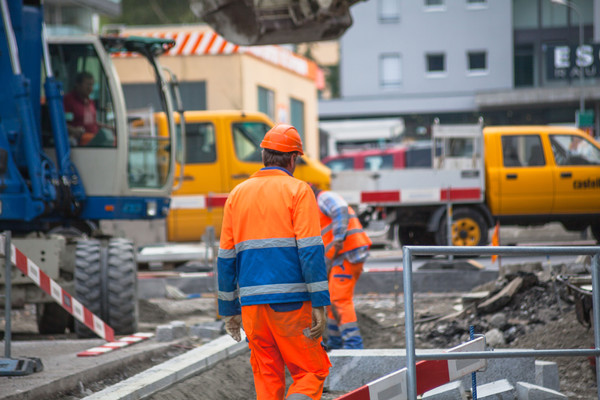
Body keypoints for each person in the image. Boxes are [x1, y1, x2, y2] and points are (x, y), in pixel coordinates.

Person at [217, 123, 331, 400]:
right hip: (291, 304)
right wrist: (320, 303)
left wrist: (228, 310)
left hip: (253, 310)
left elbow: (225, 260)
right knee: (310, 373)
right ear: (293, 158)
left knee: (267, 380)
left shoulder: (237, 194)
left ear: (263, 155)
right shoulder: (299, 190)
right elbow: (310, 251)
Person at [310, 185, 371, 350]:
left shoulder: (322, 198)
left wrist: (338, 239)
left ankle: (354, 346)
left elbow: (339, 209)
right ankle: (335, 344)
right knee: (331, 301)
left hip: (348, 254)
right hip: (340, 257)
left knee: (339, 300)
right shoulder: (313, 209)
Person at [63, 71, 100, 146]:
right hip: (79, 144)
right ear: (78, 85)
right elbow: (60, 123)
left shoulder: (90, 101)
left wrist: (108, 127)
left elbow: (92, 123)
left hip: (93, 141)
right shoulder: (68, 101)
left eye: (92, 85)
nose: (90, 88)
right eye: (88, 85)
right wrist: (73, 130)